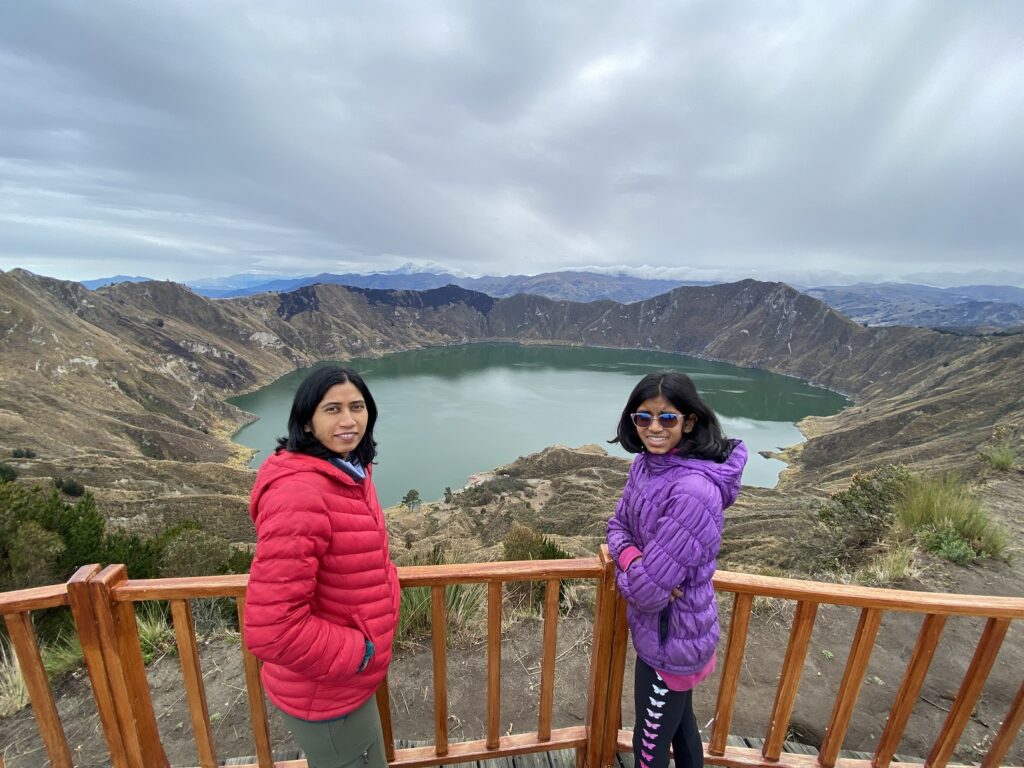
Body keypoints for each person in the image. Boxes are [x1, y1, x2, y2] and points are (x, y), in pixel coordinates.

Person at [244, 365, 400, 768]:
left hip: (342, 683)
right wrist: (360, 651)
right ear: (308, 422)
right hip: (326, 691)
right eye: (333, 409)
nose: (349, 421)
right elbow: (271, 630)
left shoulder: (348, 471)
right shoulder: (300, 493)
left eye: (358, 407)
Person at [606, 371, 747, 768]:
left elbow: (650, 593)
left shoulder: (693, 491)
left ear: (689, 421)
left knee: (648, 749)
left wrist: (635, 575)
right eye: (643, 417)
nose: (654, 427)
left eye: (667, 418)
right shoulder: (645, 466)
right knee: (683, 731)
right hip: (668, 634)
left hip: (673, 637)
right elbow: (616, 527)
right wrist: (635, 561)